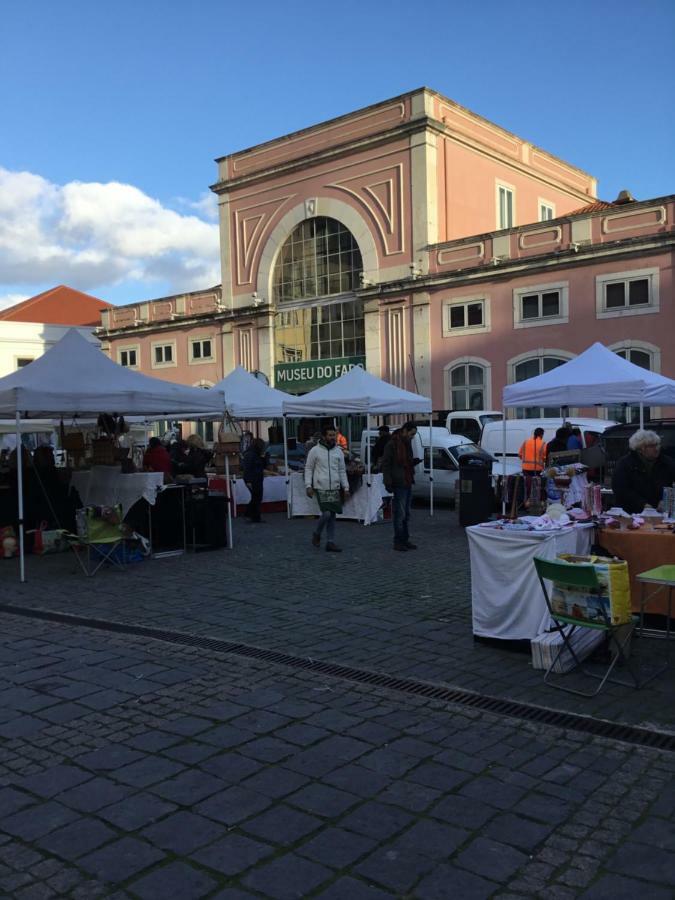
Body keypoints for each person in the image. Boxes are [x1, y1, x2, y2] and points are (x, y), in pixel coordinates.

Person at [305, 424, 350, 552]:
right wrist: (308, 485)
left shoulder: (338, 451)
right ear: (324, 436)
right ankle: (317, 533)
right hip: (321, 487)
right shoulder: (315, 451)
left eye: (334, 435)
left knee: (332, 516)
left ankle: (330, 542)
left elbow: (342, 470)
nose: (332, 437)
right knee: (326, 514)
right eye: (330, 435)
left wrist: (346, 487)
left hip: (334, 487)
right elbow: (308, 468)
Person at [612, 429, 675, 514]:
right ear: (640, 449)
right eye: (652, 446)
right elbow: (621, 490)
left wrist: (666, 500)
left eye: (657, 444)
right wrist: (642, 505)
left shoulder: (668, 463)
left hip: (662, 514)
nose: (657, 448)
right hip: (631, 514)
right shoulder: (624, 464)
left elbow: (672, 485)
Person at [381, 421, 419, 551]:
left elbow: (406, 462)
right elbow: (386, 464)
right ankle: (398, 540)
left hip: (407, 480)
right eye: (411, 434)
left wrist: (412, 463)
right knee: (400, 513)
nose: (412, 436)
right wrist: (388, 482)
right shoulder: (392, 444)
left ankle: (405, 538)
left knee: (406, 513)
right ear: (405, 431)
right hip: (398, 482)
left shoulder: (406, 443)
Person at [242, 437, 268, 523]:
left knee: (256, 497)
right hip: (253, 479)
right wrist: (248, 481)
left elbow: (263, 466)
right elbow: (247, 468)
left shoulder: (255, 454)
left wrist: (264, 458)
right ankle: (252, 515)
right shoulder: (251, 454)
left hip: (257, 478)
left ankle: (252, 515)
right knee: (257, 497)